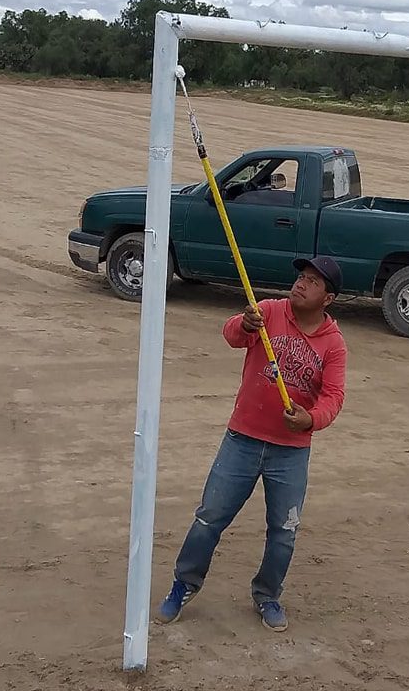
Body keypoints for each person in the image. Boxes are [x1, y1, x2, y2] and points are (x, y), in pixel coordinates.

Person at [155, 255, 348, 632]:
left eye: (313, 282)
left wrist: (311, 419)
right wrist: (243, 323)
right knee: (209, 517)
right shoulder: (267, 312)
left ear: (328, 299)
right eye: (301, 277)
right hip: (241, 439)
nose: (301, 284)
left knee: (283, 532)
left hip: (290, 452)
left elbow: (334, 397)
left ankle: (268, 595)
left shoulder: (334, 345)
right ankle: (183, 586)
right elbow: (231, 336)